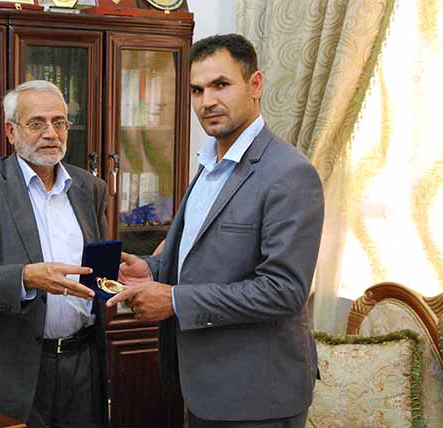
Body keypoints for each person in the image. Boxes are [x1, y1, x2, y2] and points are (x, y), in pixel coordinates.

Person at [107, 34, 324, 428]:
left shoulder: (290, 173)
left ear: (255, 85)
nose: (206, 101)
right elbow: (204, 256)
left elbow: (284, 290)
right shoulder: (209, 164)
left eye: (220, 85)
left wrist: (174, 301)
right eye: (197, 90)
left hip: (258, 396)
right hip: (201, 383)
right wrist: (152, 270)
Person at [0, 80, 108, 428]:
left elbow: (100, 271)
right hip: (11, 371)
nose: (51, 134)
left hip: (83, 364)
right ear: (11, 131)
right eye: (37, 123)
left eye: (59, 122)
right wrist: (25, 278)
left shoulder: (90, 188)